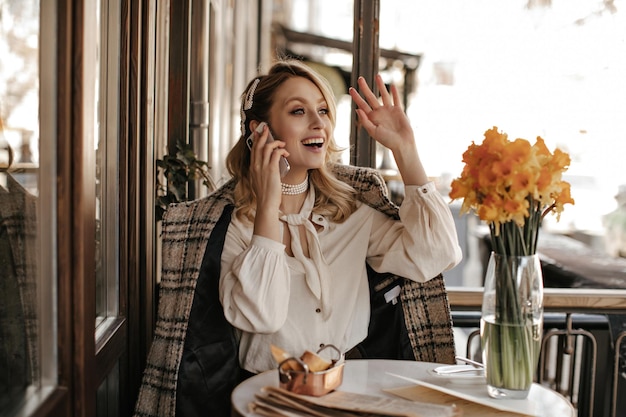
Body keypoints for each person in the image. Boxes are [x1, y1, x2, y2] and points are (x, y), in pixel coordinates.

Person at [133, 59, 462, 417]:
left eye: (322, 110)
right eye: (298, 111)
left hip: (352, 394)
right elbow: (262, 316)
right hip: (265, 400)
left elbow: (436, 255)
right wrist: (269, 202)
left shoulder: (351, 211)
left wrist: (405, 148)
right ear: (260, 131)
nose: (318, 122)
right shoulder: (229, 226)